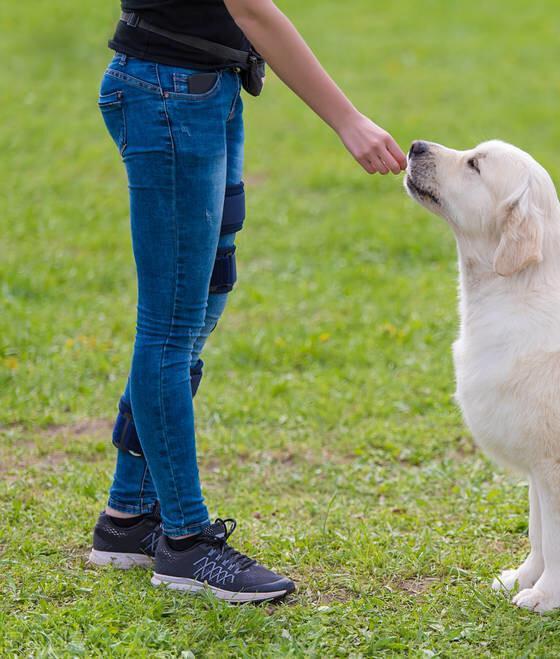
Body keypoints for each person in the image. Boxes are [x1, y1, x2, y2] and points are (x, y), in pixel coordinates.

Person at [89, 0, 406, 602]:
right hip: (168, 96)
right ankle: (185, 544)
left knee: (202, 303)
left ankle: (127, 519)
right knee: (170, 328)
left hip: (207, 90)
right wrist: (348, 120)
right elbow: (253, 10)